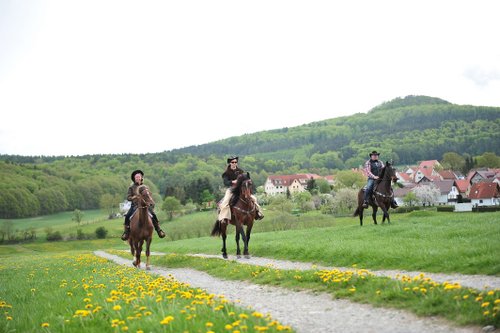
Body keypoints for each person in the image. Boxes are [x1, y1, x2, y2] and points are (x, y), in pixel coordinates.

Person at [217, 155, 264, 224]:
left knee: (254, 198)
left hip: (241, 189)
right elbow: (226, 183)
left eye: (235, 162)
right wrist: (233, 181)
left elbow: (245, 180)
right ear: (230, 163)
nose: (234, 163)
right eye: (232, 162)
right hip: (231, 189)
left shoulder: (240, 171)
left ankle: (258, 213)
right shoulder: (226, 173)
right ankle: (224, 218)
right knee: (225, 201)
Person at [121, 170, 166, 241]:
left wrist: (150, 201)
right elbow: (128, 197)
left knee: (153, 215)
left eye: (139, 177)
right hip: (135, 206)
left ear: (141, 178)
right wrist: (135, 197)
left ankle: (159, 230)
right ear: (134, 178)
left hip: (145, 205)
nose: (138, 178)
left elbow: (149, 195)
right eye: (136, 177)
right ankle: (126, 232)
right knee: (127, 216)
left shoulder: (145, 186)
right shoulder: (131, 187)